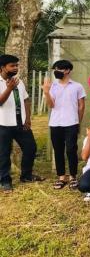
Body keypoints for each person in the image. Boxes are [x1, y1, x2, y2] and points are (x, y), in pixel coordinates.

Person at [0, 54, 43, 192]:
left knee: (31, 148)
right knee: (4, 153)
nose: (15, 68)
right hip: (3, 124)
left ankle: (26, 175)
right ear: (2, 67)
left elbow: (26, 100)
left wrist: (28, 119)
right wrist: (9, 88)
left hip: (21, 123)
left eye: (16, 65)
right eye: (12, 66)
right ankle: (5, 181)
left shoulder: (19, 82)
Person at [43, 60, 86, 190]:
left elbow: (81, 106)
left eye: (59, 69)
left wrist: (78, 122)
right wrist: (46, 92)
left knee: (71, 149)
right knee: (58, 150)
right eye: (55, 69)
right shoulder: (52, 86)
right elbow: (51, 105)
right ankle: (61, 177)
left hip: (71, 122)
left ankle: (73, 176)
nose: (56, 71)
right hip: (55, 123)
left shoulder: (77, 86)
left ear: (67, 70)